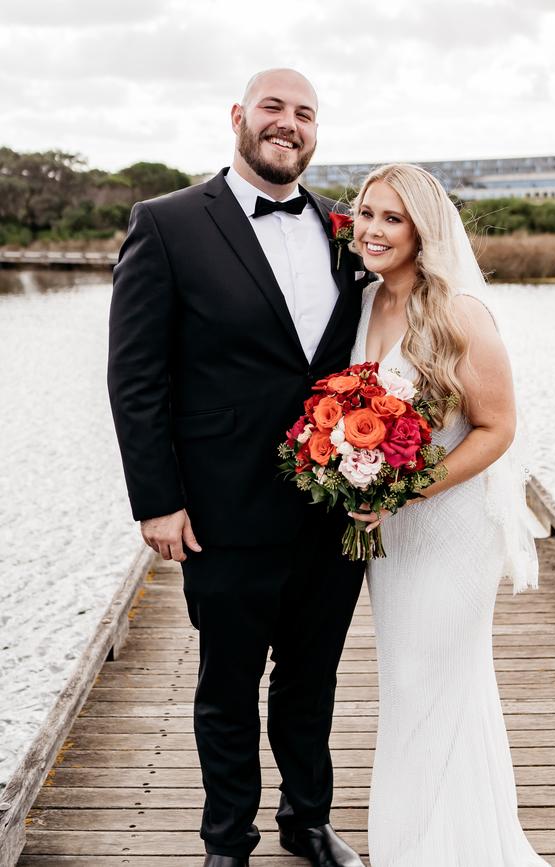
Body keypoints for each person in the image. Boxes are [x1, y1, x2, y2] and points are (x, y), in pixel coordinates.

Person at [107, 69, 368, 867]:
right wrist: (157, 500)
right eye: (273, 109)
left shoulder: (347, 229)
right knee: (227, 686)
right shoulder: (167, 222)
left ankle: (308, 819)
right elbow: (136, 374)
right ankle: (228, 841)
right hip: (223, 508)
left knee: (311, 680)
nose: (288, 125)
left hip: (334, 506)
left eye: (305, 115)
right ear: (238, 118)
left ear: (317, 132)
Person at [348, 164, 549, 866]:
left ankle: (422, 850)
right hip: (392, 540)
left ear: (422, 230)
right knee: (412, 682)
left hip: (452, 530)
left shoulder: (460, 311)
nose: (372, 228)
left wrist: (404, 491)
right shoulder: (368, 304)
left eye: (391, 218)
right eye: (366, 212)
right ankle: (442, 840)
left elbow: (497, 428)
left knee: (427, 679)